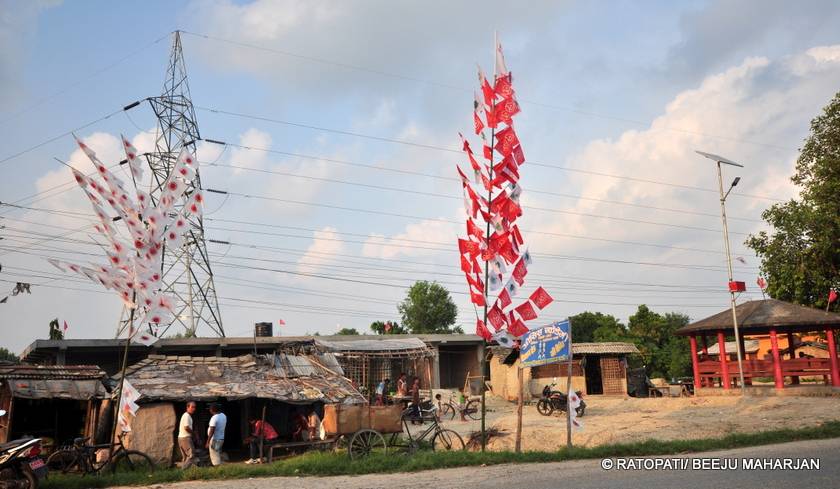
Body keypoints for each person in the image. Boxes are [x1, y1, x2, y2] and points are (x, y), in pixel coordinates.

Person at [177, 401, 197, 469]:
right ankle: (183, 469)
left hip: (182, 438)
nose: (194, 409)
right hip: (185, 438)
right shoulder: (186, 416)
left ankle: (184, 471)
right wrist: (193, 433)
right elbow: (186, 427)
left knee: (185, 457)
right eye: (192, 407)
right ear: (187, 407)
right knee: (191, 455)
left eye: (194, 407)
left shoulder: (187, 416)